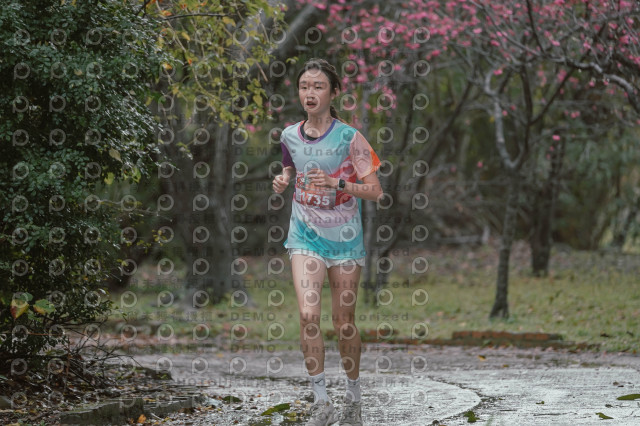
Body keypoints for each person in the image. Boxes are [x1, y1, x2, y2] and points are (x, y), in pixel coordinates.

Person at [272, 58, 383, 426]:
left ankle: (353, 391)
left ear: (333, 93)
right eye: (305, 86)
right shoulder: (289, 134)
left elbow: (375, 191)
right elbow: (290, 164)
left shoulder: (351, 138)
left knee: (343, 322)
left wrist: (337, 183)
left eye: (318, 87)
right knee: (308, 316)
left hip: (345, 240)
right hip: (304, 236)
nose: (310, 93)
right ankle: (321, 400)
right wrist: (284, 178)